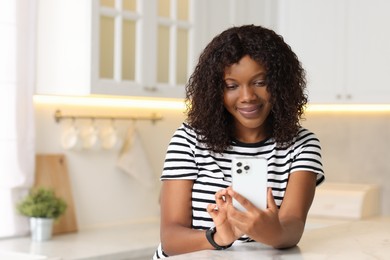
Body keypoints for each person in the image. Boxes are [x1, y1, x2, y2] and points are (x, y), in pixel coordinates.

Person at [153, 24, 324, 259]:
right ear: (215, 90)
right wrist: (219, 237)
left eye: (260, 82)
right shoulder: (189, 139)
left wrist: (274, 232)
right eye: (232, 86)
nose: (247, 97)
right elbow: (171, 239)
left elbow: (293, 226)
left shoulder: (302, 145)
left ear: (280, 83)